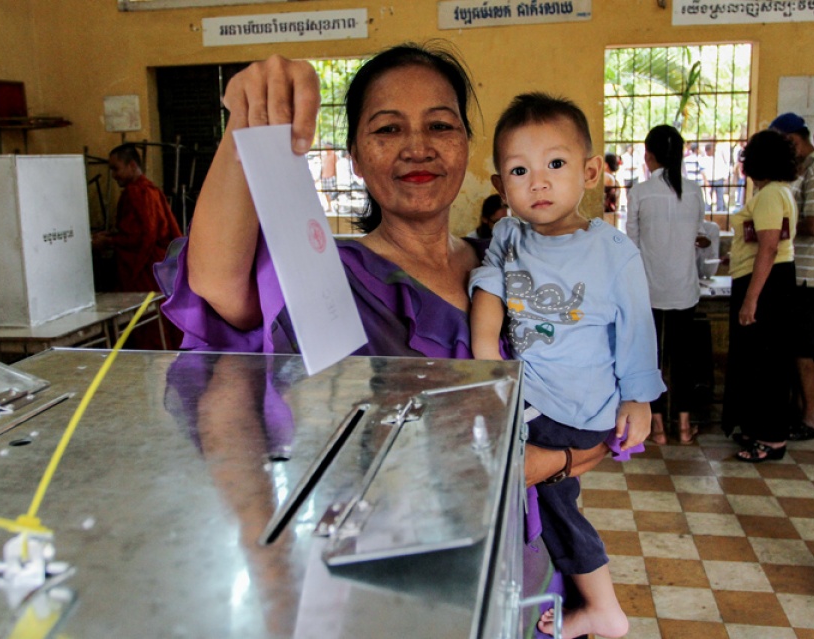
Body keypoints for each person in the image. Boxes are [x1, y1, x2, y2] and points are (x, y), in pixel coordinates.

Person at [160, 44, 639, 532]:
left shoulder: (507, 264)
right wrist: (249, 121)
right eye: (388, 128)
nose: (418, 147)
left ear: (466, 147)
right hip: (397, 550)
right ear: (356, 159)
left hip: (520, 543)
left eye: (440, 125)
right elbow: (217, 279)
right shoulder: (333, 277)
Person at [470, 93, 663, 639]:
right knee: (535, 499)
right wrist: (487, 354)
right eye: (519, 170)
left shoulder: (614, 251)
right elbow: (488, 284)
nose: (538, 182)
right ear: (500, 185)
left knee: (549, 498)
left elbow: (636, 333)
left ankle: (602, 609)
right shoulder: (509, 236)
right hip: (528, 398)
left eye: (555, 164)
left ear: (590, 171)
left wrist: (638, 401)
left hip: (577, 407)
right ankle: (545, 591)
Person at [626, 125, 705, 445]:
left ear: (648, 156)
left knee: (651, 359)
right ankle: (684, 427)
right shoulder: (694, 191)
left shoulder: (640, 192)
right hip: (684, 289)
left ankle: (656, 428)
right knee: (683, 358)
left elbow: (631, 244)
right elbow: (699, 234)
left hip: (649, 291)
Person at [722, 130, 798, 461]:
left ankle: (771, 439)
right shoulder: (779, 192)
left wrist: (751, 299)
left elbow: (769, 247)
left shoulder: (770, 195)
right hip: (767, 280)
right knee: (758, 361)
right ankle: (758, 429)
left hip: (766, 284)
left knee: (766, 363)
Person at [769, 113, 814, 439]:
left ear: (793, 140)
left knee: (803, 351)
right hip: (798, 275)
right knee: (796, 349)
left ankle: (813, 417)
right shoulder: (806, 170)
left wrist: (774, 229)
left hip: (810, 277)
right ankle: (802, 413)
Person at [92, 143, 184, 293]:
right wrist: (111, 235)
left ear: (132, 165)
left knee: (143, 311)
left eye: (116, 169)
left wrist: (108, 241)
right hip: (161, 264)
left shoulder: (137, 193)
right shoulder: (151, 190)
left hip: (145, 264)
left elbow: (140, 237)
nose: (114, 175)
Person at [320, 141, 337, 211]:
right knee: (326, 193)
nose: (325, 148)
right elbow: (322, 167)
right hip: (324, 177)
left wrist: (336, 176)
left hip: (331, 176)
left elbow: (336, 166)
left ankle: (332, 206)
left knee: (331, 193)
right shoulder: (324, 156)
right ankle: (329, 206)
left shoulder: (334, 155)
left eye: (326, 146)